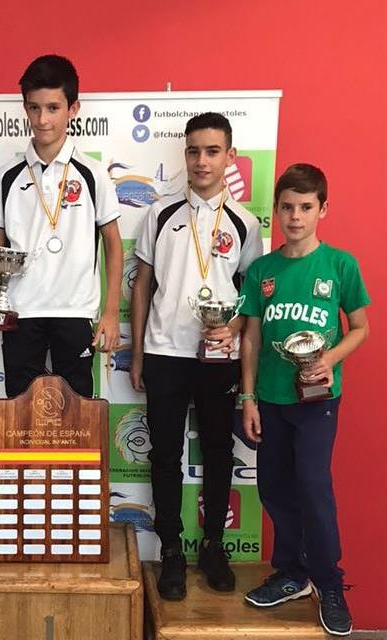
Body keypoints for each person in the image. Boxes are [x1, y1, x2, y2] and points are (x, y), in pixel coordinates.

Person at [130, 112, 262, 600]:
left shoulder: (246, 223)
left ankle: (213, 547)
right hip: (164, 351)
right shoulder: (159, 213)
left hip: (219, 357)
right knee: (165, 454)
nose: (202, 161)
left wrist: (232, 327)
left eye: (212, 151)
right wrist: (139, 352)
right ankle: (170, 549)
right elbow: (142, 284)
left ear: (230, 156)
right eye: (193, 151)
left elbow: (250, 296)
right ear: (185, 154)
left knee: (218, 450)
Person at [239, 164, 369, 636]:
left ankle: (329, 583)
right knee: (273, 488)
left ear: (322, 209)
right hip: (271, 399)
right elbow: (251, 338)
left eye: (306, 207)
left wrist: (329, 359)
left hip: (318, 401)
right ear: (276, 210)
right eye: (287, 207)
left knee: (313, 488)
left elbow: (361, 327)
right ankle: (292, 574)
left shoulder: (340, 265)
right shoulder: (262, 271)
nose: (295, 217)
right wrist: (248, 397)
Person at [0, 54, 122, 398]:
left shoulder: (93, 173)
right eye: (34, 108)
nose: (42, 120)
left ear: (73, 109)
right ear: (25, 108)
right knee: (20, 412)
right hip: (20, 311)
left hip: (75, 310)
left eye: (53, 108)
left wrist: (111, 311)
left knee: (77, 412)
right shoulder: (8, 176)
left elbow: (113, 245)